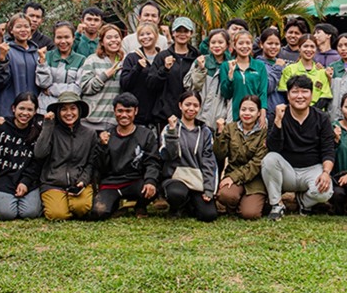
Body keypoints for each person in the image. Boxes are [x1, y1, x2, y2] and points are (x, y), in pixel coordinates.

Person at [262, 75, 335, 220]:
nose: (300, 96)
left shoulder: (322, 118)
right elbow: (273, 148)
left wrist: (326, 172)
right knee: (269, 159)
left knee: (325, 193)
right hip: (287, 171)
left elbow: (328, 149)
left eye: (304, 91)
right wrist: (278, 121)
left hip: (312, 169)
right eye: (295, 92)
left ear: (311, 94)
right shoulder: (279, 115)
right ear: (288, 96)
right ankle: (276, 204)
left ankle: (304, 202)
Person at [90, 92, 162, 220]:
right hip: (111, 183)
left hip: (135, 181)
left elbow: (152, 161)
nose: (124, 115)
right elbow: (100, 167)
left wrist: (150, 181)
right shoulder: (106, 135)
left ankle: (140, 206)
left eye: (128, 111)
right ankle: (116, 205)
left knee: (155, 186)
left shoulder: (146, 134)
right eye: (120, 111)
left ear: (136, 111)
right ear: (114, 111)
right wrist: (102, 146)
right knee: (99, 212)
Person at [0, 92, 44, 220]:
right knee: (6, 213)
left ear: (35, 111)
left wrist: (25, 182)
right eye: (21, 108)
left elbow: (37, 161)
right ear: (13, 108)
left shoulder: (37, 130)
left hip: (27, 178)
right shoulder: (2, 126)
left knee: (29, 213)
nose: (25, 113)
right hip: (3, 177)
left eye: (30, 110)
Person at [33, 91, 97, 220]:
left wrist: (83, 180)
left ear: (79, 111)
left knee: (82, 208)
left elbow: (91, 162)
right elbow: (39, 153)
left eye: (73, 108)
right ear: (58, 112)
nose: (69, 113)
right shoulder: (52, 130)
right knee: (57, 214)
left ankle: (71, 204)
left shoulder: (90, 134)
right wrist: (48, 125)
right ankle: (62, 204)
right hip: (53, 183)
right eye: (64, 109)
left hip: (78, 184)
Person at [160, 92, 219, 222]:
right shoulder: (169, 128)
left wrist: (209, 188)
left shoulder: (205, 131)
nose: (191, 109)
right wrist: (172, 132)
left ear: (200, 108)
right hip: (175, 178)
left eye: (195, 105)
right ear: (180, 106)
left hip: (196, 180)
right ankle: (177, 206)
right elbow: (168, 155)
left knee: (208, 215)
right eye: (187, 105)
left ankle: (190, 205)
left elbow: (209, 161)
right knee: (177, 193)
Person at [213, 95, 268, 220]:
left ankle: (253, 203)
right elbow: (219, 154)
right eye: (243, 109)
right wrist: (220, 133)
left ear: (259, 113)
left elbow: (257, 163)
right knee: (225, 195)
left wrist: (233, 177)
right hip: (234, 171)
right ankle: (236, 204)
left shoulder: (264, 133)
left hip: (255, 178)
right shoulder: (230, 128)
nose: (247, 113)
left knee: (250, 214)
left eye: (251, 110)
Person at [0, 13, 50, 119]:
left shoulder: (36, 53)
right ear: (11, 30)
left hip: (32, 111)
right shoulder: (5, 50)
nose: (23, 30)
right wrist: (1, 60)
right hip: (8, 110)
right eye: (18, 27)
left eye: (26, 26)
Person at [79, 23, 125, 131]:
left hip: (114, 121)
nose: (114, 40)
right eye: (109, 37)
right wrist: (104, 76)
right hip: (91, 120)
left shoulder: (125, 60)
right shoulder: (92, 60)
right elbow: (85, 87)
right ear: (102, 42)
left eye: (116, 37)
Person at [118, 22, 165, 129]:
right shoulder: (132, 57)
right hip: (137, 115)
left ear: (156, 35)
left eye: (148, 34)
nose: (145, 37)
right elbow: (124, 84)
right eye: (142, 35)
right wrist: (137, 68)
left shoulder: (163, 57)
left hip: (157, 116)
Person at [155, 17, 202, 121]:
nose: (182, 34)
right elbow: (152, 84)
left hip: (191, 113)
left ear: (191, 33)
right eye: (179, 31)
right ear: (173, 33)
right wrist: (165, 69)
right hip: (166, 115)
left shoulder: (197, 57)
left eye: (186, 31)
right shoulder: (162, 56)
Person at [36, 21, 86, 114]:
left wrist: (51, 89)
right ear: (54, 38)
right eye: (59, 37)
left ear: (73, 37)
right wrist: (42, 63)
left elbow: (77, 89)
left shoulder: (81, 60)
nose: (63, 41)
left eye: (67, 37)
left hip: (69, 110)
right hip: (45, 108)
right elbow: (43, 84)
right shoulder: (45, 56)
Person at [219, 30, 268, 122]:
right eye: (240, 43)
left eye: (248, 43)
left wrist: (263, 110)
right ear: (234, 45)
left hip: (255, 114)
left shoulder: (259, 66)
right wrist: (230, 76)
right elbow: (226, 93)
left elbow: (263, 91)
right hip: (234, 114)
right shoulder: (226, 66)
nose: (244, 46)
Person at [187, 29, 232, 128]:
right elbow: (189, 86)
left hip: (220, 117)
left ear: (227, 45)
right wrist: (200, 69)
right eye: (213, 42)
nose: (216, 46)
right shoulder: (201, 60)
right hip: (198, 113)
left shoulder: (231, 64)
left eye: (220, 42)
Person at [278, 35, 332, 109]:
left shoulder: (322, 72)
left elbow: (325, 97)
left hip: (317, 115)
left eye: (312, 46)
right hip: (294, 112)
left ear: (316, 49)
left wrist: (310, 113)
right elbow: (284, 92)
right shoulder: (289, 70)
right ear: (299, 48)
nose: (309, 49)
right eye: (305, 46)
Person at [255, 27, 287, 113]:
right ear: (261, 44)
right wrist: (278, 68)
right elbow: (266, 88)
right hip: (267, 113)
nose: (273, 47)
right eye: (269, 43)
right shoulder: (256, 65)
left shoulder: (282, 64)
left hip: (283, 111)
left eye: (277, 44)